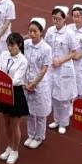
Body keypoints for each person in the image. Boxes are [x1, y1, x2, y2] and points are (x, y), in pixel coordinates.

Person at [0, 32, 29, 164]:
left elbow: (17, 80)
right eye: (8, 45)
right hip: (4, 91)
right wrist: (0, 79)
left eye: (12, 45)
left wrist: (2, 80)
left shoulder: (23, 61)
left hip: (15, 93)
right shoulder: (4, 55)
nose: (9, 48)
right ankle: (9, 146)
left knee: (15, 125)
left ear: (19, 45)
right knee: (6, 122)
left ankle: (15, 150)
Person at [45, 5, 79, 134]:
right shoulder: (50, 31)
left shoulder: (69, 33)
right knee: (54, 96)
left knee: (64, 98)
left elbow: (74, 52)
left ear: (64, 19)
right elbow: (46, 47)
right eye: (54, 18)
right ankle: (57, 119)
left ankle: (64, 122)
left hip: (64, 68)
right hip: (52, 68)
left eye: (58, 19)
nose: (56, 21)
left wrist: (60, 60)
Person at [23, 17, 53, 149]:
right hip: (26, 82)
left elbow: (44, 69)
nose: (32, 34)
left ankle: (39, 137)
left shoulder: (46, 48)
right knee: (29, 111)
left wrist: (34, 83)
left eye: (35, 31)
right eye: (30, 31)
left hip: (39, 84)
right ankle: (31, 134)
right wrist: (26, 82)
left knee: (40, 113)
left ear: (41, 32)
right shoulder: (26, 44)